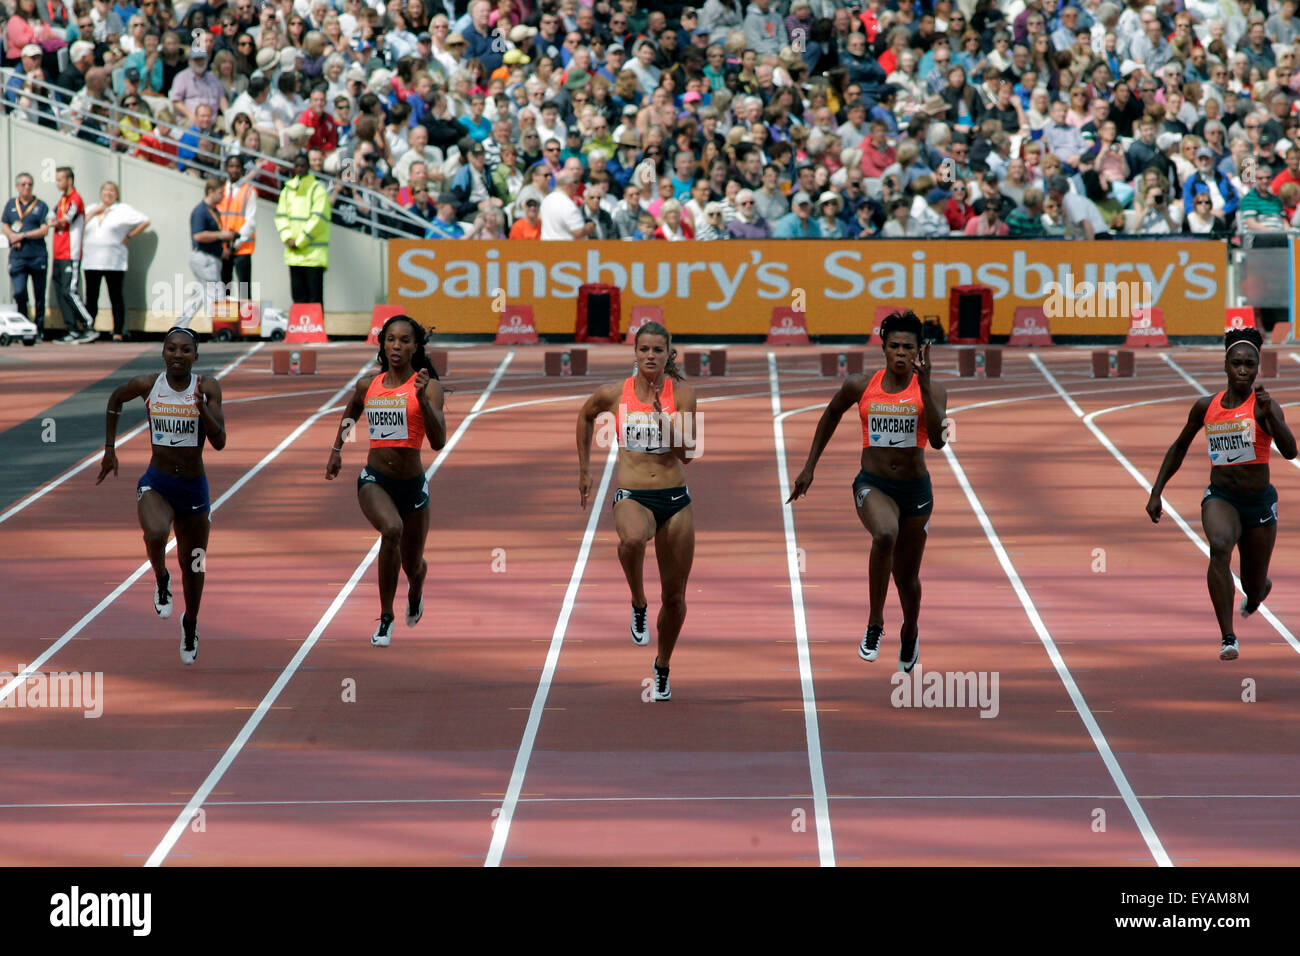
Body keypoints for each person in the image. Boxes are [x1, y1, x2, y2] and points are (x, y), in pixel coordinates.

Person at [787, 310, 948, 672]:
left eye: (908, 346)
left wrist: (924, 387)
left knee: (907, 578)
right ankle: (875, 623)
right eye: (895, 346)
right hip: (873, 484)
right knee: (885, 534)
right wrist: (809, 467)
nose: (902, 353)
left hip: (916, 491)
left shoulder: (933, 390)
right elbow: (830, 413)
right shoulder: (860, 385)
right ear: (884, 348)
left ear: (919, 350)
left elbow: (938, 442)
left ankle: (910, 630)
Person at [1146, 327, 1297, 661]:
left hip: (1258, 502)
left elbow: (1290, 451)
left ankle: (1259, 590)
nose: (1243, 370)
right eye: (1236, 363)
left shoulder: (1263, 408)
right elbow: (1179, 446)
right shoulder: (1206, 406)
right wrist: (1157, 491)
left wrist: (1271, 413)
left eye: (1249, 364)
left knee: (1252, 587)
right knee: (1219, 546)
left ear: (1258, 369)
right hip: (1222, 497)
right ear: (1225, 366)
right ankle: (1228, 637)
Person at [576, 321, 698, 701]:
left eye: (658, 351)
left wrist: (666, 422)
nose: (650, 356)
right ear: (635, 353)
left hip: (675, 499)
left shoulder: (684, 395)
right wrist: (585, 469)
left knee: (676, 598)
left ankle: (662, 665)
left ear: (668, 355)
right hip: (633, 493)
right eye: (644, 349)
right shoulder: (615, 394)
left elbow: (689, 455)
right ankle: (638, 602)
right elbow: (584, 416)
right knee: (631, 539)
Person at [96, 327, 227, 665]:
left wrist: (203, 410)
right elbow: (114, 399)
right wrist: (110, 449)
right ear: (163, 353)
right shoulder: (148, 385)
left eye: (185, 350)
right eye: (171, 349)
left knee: (194, 564)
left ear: (195, 356)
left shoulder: (207, 387)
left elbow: (220, 441)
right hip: (158, 482)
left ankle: (191, 623)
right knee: (155, 533)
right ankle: (161, 578)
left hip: (194, 490)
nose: (178, 355)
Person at [325, 315, 446, 647]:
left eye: (405, 340)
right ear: (383, 344)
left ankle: (417, 588)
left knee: (413, 564)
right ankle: (386, 616)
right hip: (374, 480)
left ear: (416, 347)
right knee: (391, 530)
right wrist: (337, 449)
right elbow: (351, 409)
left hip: (413, 486)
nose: (397, 345)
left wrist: (422, 401)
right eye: (391, 339)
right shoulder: (369, 386)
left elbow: (438, 443)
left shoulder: (429, 387)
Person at [82, 181, 150, 342]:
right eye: (105, 190)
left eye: (112, 190)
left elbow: (145, 220)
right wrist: (93, 212)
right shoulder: (91, 208)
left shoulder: (122, 210)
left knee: (115, 296)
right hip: (91, 260)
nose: (108, 193)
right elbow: (78, 225)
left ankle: (118, 330)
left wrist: (129, 236)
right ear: (100, 193)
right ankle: (89, 328)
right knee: (91, 296)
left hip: (114, 261)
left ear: (117, 194)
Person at [179, 177, 237, 328]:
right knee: (216, 292)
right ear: (210, 192)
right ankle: (220, 327)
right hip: (204, 258)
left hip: (212, 257)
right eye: (220, 192)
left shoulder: (214, 211)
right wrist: (221, 236)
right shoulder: (201, 211)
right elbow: (198, 236)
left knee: (198, 295)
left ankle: (179, 326)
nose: (223, 196)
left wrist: (222, 249)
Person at [275, 152, 332, 305]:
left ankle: (314, 329)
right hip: (294, 255)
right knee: (298, 298)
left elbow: (319, 218)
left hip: (314, 256)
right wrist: (287, 237)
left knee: (314, 300)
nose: (300, 169)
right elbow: (281, 216)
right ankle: (300, 328)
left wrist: (299, 241)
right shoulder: (287, 189)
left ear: (308, 167)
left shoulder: (317, 189)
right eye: (297, 166)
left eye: (303, 165)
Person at [49, 167, 97, 343]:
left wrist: (52, 223)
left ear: (69, 180)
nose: (57, 183)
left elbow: (64, 220)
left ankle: (88, 324)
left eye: (60, 179)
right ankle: (72, 329)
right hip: (58, 253)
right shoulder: (62, 199)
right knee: (61, 292)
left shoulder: (76, 199)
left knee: (70, 290)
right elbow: (51, 216)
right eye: (56, 179)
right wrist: (51, 221)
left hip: (71, 252)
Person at [1, 172, 50, 342]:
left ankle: (39, 328)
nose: (27, 187)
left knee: (39, 294)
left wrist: (23, 235)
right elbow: (5, 225)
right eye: (23, 184)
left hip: (37, 255)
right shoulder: (11, 205)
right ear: (17, 186)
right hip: (18, 257)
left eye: (29, 184)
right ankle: (23, 327)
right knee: (20, 292)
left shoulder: (41, 205)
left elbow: (44, 229)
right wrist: (12, 236)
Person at [216, 155, 257, 319]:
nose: (234, 170)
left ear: (242, 169)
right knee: (223, 288)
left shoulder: (249, 190)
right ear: (226, 168)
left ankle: (248, 326)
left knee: (244, 289)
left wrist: (235, 244)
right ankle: (223, 326)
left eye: (237, 167)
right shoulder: (221, 189)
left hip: (242, 248)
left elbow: (250, 221)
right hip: (223, 248)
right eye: (231, 166)